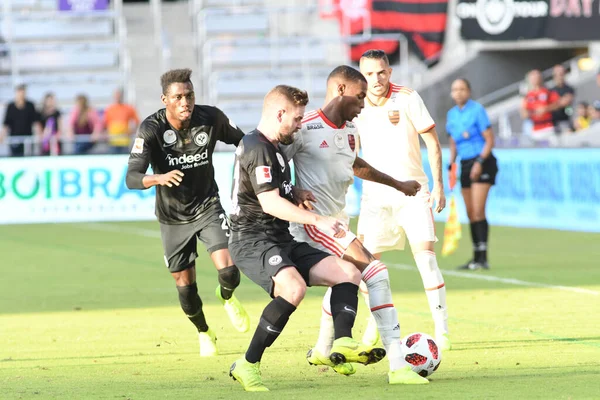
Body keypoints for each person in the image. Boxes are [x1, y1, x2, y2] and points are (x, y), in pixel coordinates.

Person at [228, 84, 386, 392]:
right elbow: (269, 203)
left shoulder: (273, 148)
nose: (301, 125)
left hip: (278, 237)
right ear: (279, 114)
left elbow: (272, 191)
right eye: (297, 119)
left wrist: (296, 191)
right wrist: (319, 221)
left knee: (347, 272)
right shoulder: (258, 147)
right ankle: (248, 364)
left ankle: (342, 342)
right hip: (251, 239)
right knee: (293, 287)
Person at [281, 66, 428, 385]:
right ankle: (398, 365)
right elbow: (276, 163)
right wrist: (292, 191)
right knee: (376, 273)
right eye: (360, 97)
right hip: (313, 224)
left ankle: (322, 349)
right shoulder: (304, 127)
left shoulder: (349, 130)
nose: (364, 104)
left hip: (337, 221)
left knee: (343, 281)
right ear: (340, 90)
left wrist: (397, 183)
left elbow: (355, 165)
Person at [125, 68, 250, 357]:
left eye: (189, 95)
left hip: (207, 206)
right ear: (165, 99)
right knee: (185, 287)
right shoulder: (151, 129)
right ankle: (204, 332)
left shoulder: (211, 118)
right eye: (178, 97)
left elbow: (243, 142)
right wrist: (157, 178)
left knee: (229, 271)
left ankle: (226, 296)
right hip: (172, 218)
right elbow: (131, 177)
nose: (185, 102)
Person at [355, 49, 450, 352]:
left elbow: (432, 142)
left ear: (390, 72)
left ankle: (442, 329)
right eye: (369, 73)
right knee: (364, 267)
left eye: (381, 72)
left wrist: (438, 186)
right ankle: (374, 323)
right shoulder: (355, 106)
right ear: (362, 75)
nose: (376, 79)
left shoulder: (407, 97)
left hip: (413, 193)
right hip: (374, 197)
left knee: (426, 260)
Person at [446, 78, 498, 271]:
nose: (458, 92)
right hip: (465, 163)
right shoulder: (451, 115)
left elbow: (489, 140)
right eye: (455, 89)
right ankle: (475, 257)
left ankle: (482, 256)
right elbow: (453, 142)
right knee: (469, 212)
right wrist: (451, 164)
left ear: (468, 91)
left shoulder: (477, 110)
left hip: (482, 161)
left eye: (462, 89)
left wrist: (479, 162)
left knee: (478, 210)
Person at [520, 69, 561, 144]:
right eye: (533, 78)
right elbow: (524, 114)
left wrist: (546, 109)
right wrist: (529, 112)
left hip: (549, 127)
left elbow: (557, 104)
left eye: (536, 77)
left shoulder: (548, 91)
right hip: (535, 129)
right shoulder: (527, 96)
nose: (535, 80)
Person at [0, 84, 41, 157]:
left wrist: (39, 135)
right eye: (19, 92)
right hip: (14, 139)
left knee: (28, 157)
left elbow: (36, 122)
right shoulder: (11, 106)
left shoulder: (30, 105)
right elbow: (6, 123)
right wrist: (2, 136)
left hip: (28, 138)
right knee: (15, 157)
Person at [104, 88, 140, 154]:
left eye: (119, 95)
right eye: (116, 95)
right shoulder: (110, 109)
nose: (118, 97)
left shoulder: (128, 108)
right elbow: (105, 124)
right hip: (113, 140)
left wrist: (132, 131)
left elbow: (137, 121)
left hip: (124, 140)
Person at [550, 64, 575, 134]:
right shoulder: (551, 90)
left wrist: (553, 105)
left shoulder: (569, 88)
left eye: (562, 74)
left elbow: (566, 102)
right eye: (558, 74)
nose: (560, 76)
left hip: (565, 121)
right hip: (553, 123)